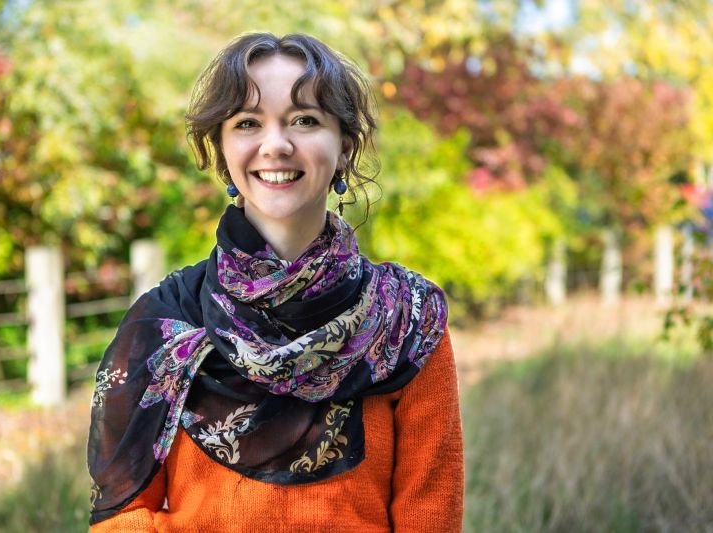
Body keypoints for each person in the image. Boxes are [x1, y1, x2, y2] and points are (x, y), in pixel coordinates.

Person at [87, 32, 463, 532]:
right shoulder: (165, 323)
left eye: (304, 120)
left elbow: (429, 521)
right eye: (248, 123)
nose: (276, 145)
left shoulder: (408, 324)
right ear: (222, 151)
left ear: (345, 147)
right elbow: (123, 516)